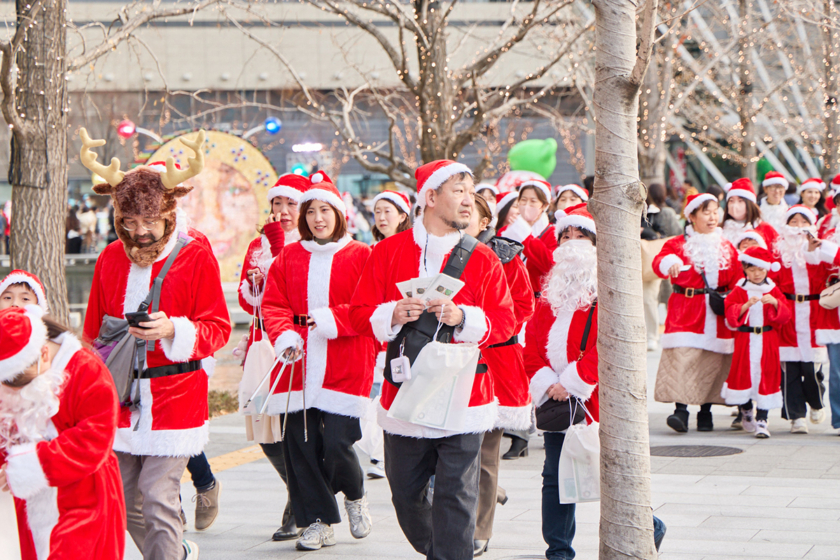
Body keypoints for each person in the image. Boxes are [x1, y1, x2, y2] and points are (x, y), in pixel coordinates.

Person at [349, 159, 516, 560]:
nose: (467, 200)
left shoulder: (483, 257)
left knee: (457, 496)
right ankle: (442, 551)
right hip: (404, 394)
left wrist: (464, 318)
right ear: (430, 197)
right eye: (457, 190)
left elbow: (506, 321)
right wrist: (390, 313)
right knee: (405, 493)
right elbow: (358, 313)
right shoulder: (388, 252)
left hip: (465, 394)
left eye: (469, 191)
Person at [79, 128, 231, 560]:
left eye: (149, 221)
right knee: (126, 500)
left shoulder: (196, 254)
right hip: (121, 403)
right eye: (129, 222)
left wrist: (174, 331)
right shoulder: (111, 258)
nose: (139, 231)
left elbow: (218, 327)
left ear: (167, 213)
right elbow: (92, 333)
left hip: (176, 397)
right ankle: (176, 553)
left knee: (159, 496)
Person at [261, 180, 375, 551]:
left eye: (324, 210)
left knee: (339, 442)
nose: (317, 218)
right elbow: (273, 304)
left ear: (339, 214)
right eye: (310, 211)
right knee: (301, 445)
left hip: (345, 358)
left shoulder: (361, 255)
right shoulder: (289, 256)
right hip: (298, 360)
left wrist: (332, 320)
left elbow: (370, 306)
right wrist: (284, 337)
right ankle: (318, 520)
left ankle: (355, 493)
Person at [0, 306, 125, 560]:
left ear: (44, 353)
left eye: (25, 382)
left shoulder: (86, 369)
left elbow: (95, 440)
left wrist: (29, 465)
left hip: (85, 497)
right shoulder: (14, 371)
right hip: (30, 501)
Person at [236, 172, 317, 541]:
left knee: (294, 430)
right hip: (265, 347)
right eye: (277, 204)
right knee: (265, 427)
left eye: (291, 204)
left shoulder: (313, 243)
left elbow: (300, 290)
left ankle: (300, 505)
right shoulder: (259, 245)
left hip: (301, 347)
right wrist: (254, 281)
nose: (283, 211)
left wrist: (280, 249)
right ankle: (301, 494)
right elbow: (247, 299)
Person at [468, 195, 534, 557]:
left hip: (495, 359)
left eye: (470, 215)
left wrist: (484, 326)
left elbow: (523, 305)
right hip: (449, 362)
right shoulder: (438, 253)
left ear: (485, 222)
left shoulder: (505, 255)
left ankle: (480, 526)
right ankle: (492, 495)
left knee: (486, 452)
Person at [653, 193, 740, 432]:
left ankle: (705, 412)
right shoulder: (678, 244)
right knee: (683, 358)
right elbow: (659, 261)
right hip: (685, 309)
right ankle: (680, 410)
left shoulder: (726, 246)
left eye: (715, 212)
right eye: (706, 212)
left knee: (711, 362)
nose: (712, 217)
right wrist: (668, 262)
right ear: (692, 216)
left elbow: (738, 277)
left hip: (716, 311)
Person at [366, 189, 413, 479]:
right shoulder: (370, 248)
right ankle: (380, 453)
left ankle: (385, 455)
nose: (382, 217)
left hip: (401, 333)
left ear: (403, 215)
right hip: (376, 332)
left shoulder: (409, 249)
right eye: (378, 211)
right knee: (377, 396)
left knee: (393, 395)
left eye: (388, 211)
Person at [722, 246, 791, 438]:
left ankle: (762, 419)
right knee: (743, 374)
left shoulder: (772, 289)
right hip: (745, 339)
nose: (757, 274)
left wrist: (776, 303)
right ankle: (745, 409)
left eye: (760, 269)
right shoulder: (739, 289)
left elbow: (785, 315)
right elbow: (730, 315)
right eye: (752, 270)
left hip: (767, 339)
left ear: (767, 269)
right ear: (745, 269)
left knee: (766, 375)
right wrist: (745, 306)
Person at [773, 205, 829, 433]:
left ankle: (816, 402)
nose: (798, 227)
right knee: (790, 370)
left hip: (814, 312)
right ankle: (796, 416)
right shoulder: (778, 251)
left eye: (803, 222)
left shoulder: (820, 249)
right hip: (788, 312)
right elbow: (771, 281)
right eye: (793, 222)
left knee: (811, 367)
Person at [498, 179, 556, 295]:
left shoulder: (553, 233)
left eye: (533, 201)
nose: (526, 205)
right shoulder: (505, 231)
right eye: (523, 200)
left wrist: (526, 237)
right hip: (508, 297)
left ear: (544, 205)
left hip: (537, 300)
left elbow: (550, 266)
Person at [720, 178, 778, 248]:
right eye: (731, 201)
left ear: (749, 205)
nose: (734, 205)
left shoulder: (765, 229)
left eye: (740, 201)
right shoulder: (719, 230)